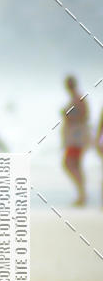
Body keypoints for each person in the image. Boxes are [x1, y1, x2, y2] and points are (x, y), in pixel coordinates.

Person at [61, 75, 90, 206]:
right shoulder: (76, 98)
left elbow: (83, 116)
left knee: (69, 163)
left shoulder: (78, 99)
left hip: (76, 137)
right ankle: (81, 194)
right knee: (76, 165)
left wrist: (67, 116)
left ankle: (82, 194)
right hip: (75, 136)